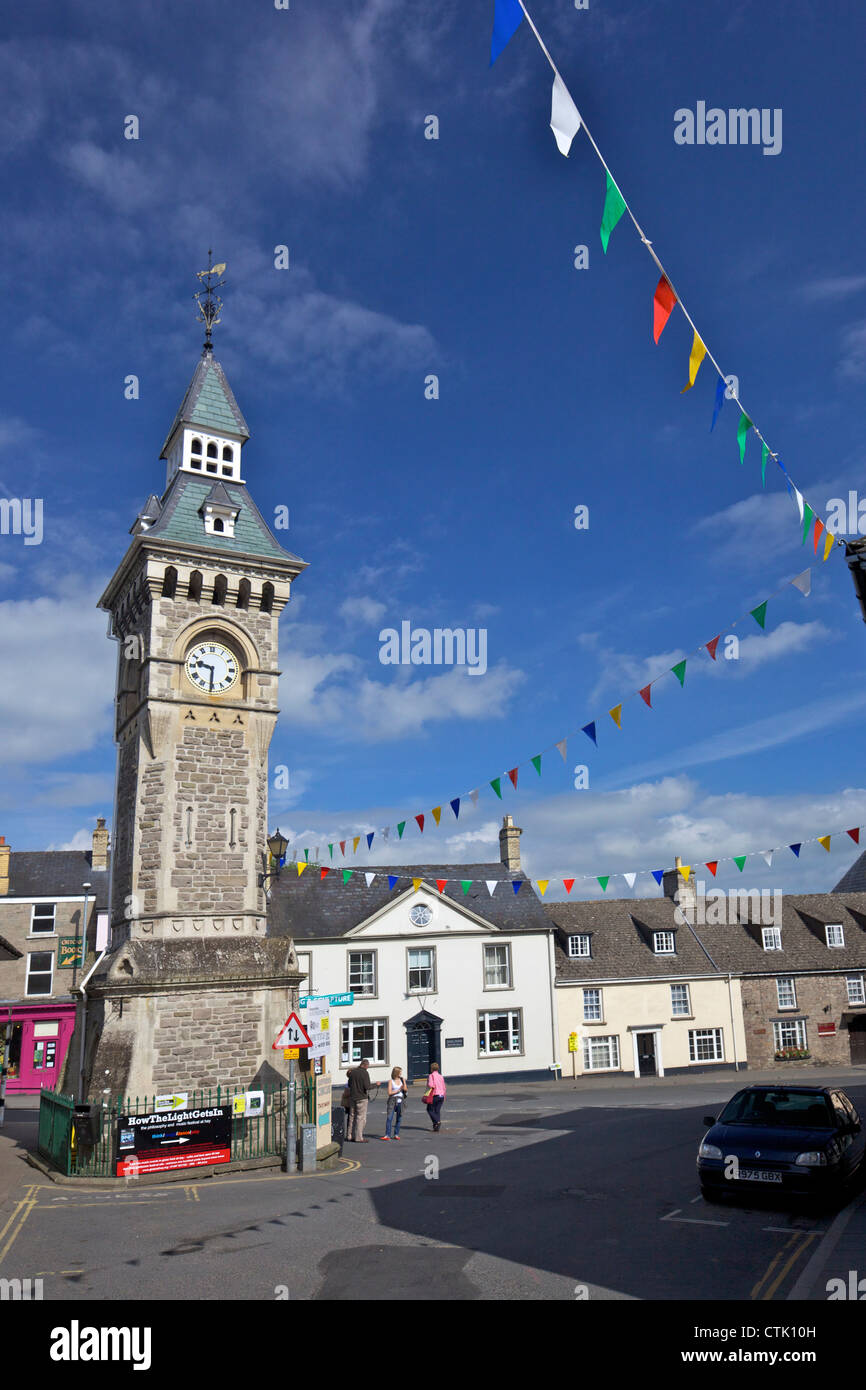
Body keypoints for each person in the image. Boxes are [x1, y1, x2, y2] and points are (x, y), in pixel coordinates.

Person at [347, 1059, 372, 1142]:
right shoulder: (365, 1073)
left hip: (352, 1097)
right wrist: (376, 1085)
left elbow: (350, 1084)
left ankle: (350, 1135)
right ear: (366, 1065)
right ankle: (359, 1137)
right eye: (368, 1066)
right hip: (362, 1098)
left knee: (352, 1117)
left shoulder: (352, 1072)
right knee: (360, 1118)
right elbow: (367, 1087)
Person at [382, 1066, 407, 1140]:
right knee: (389, 1118)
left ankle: (396, 1134)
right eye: (400, 1072)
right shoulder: (391, 1081)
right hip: (392, 1101)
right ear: (396, 1073)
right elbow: (389, 1092)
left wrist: (404, 1082)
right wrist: (398, 1090)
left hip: (400, 1101)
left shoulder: (402, 1080)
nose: (401, 1074)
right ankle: (387, 1135)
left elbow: (405, 1089)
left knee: (399, 1118)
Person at [425, 1061, 446, 1132]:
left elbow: (431, 1085)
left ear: (431, 1069)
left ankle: (437, 1121)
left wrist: (431, 1085)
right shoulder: (441, 1076)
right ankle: (436, 1126)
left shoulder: (431, 1076)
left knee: (429, 1109)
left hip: (435, 1095)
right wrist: (444, 1096)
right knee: (437, 1110)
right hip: (441, 1096)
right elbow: (444, 1087)